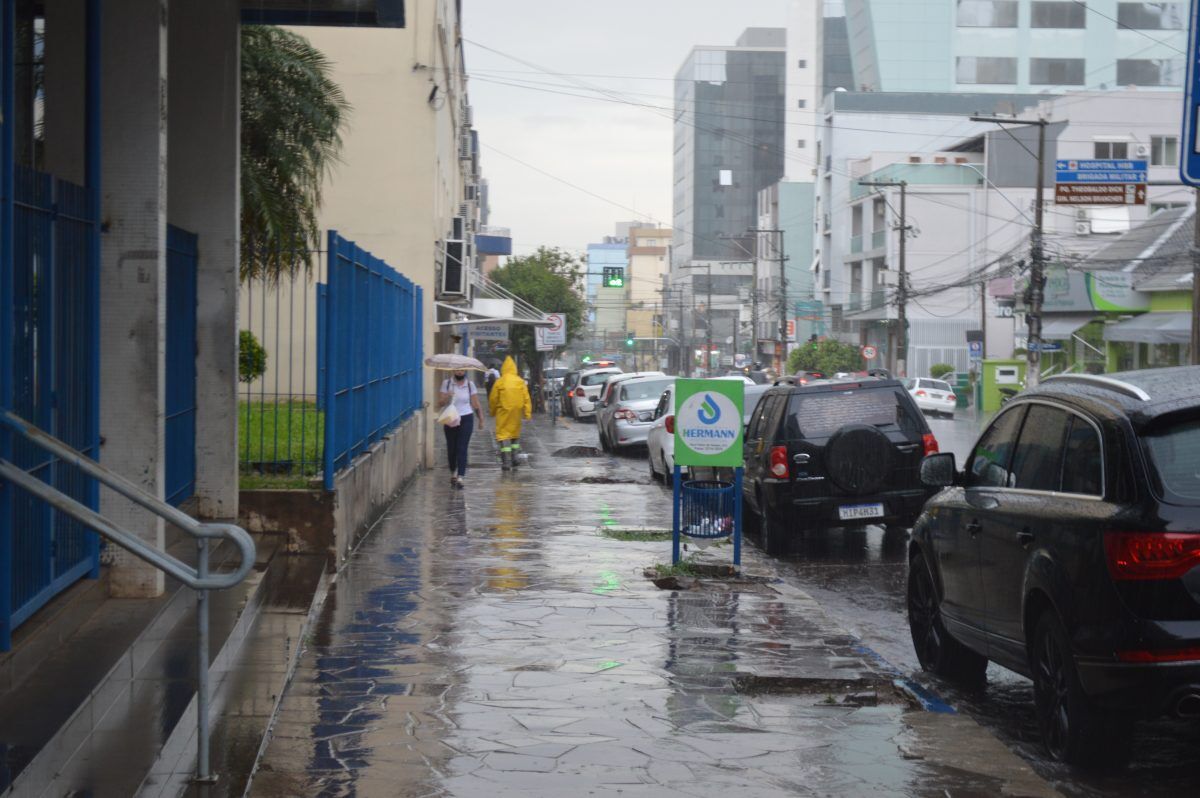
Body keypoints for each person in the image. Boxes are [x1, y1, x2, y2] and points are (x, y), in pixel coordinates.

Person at [438, 369, 485, 488]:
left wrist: (481, 418)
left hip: (466, 418)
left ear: (465, 371)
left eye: (462, 370)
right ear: (454, 371)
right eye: (458, 370)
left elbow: (475, 403)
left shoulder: (470, 385)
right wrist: (447, 396)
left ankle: (461, 476)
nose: (460, 372)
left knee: (462, 447)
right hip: (451, 418)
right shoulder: (447, 383)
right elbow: (440, 403)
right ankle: (453, 471)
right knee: (452, 448)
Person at [488, 356, 532, 470]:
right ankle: (515, 458)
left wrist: (492, 412)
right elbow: (526, 398)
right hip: (516, 412)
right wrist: (527, 413)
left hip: (503, 411)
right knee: (514, 435)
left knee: (502, 436)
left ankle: (505, 462)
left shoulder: (500, 382)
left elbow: (493, 399)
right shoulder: (520, 381)